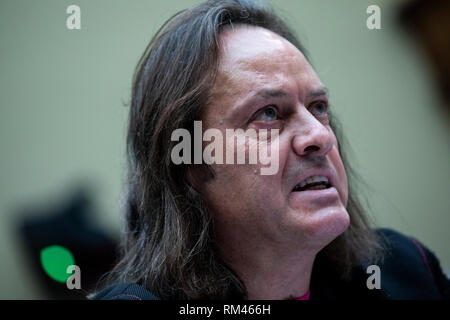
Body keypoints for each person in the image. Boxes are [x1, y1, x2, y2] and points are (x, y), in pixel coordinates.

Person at [91, 0, 450, 300]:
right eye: (268, 114)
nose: (319, 136)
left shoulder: (406, 270)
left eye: (319, 107)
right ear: (189, 161)